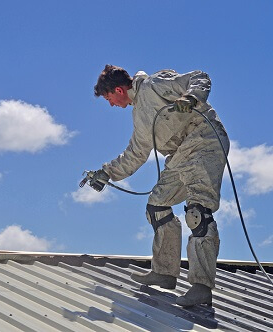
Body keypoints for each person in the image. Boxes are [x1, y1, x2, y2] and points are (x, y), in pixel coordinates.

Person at [90, 64, 229, 307]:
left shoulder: (155, 85)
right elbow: (135, 153)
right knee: (157, 206)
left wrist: (191, 96)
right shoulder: (139, 116)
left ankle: (201, 287)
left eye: (109, 98)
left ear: (119, 90)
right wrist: (106, 173)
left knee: (198, 213)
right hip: (179, 156)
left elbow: (199, 77)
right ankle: (165, 273)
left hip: (204, 142)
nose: (111, 104)